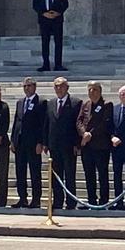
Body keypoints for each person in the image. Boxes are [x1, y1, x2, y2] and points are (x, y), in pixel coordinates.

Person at [43, 77, 82, 210]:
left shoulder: (76, 103)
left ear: (67, 88)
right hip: (54, 145)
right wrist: (45, 143)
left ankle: (71, 202)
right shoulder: (50, 103)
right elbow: (46, 124)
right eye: (56, 86)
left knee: (70, 175)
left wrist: (77, 144)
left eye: (61, 86)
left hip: (69, 146)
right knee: (56, 176)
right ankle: (58, 201)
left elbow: (78, 125)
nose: (59, 89)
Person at [76, 81, 113, 208]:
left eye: (95, 89)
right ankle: (91, 200)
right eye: (90, 89)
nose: (92, 92)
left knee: (102, 174)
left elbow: (104, 123)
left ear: (100, 91)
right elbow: (79, 121)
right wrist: (83, 133)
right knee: (89, 174)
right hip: (87, 147)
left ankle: (104, 201)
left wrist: (90, 134)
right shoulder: (86, 104)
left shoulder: (107, 104)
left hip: (101, 145)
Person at [10, 78, 46, 209]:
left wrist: (40, 142)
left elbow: (42, 124)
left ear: (35, 87)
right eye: (24, 86)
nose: (26, 88)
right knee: (20, 171)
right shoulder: (20, 102)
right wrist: (13, 140)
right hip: (20, 142)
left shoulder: (41, 102)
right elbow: (16, 122)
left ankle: (36, 199)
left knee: (35, 172)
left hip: (33, 143)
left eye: (29, 86)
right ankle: (22, 198)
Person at [32, 0, 69, 72]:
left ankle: (58, 64)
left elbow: (65, 3)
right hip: (44, 19)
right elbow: (35, 5)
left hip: (57, 19)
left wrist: (58, 12)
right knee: (45, 42)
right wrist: (44, 13)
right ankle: (46, 64)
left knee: (58, 42)